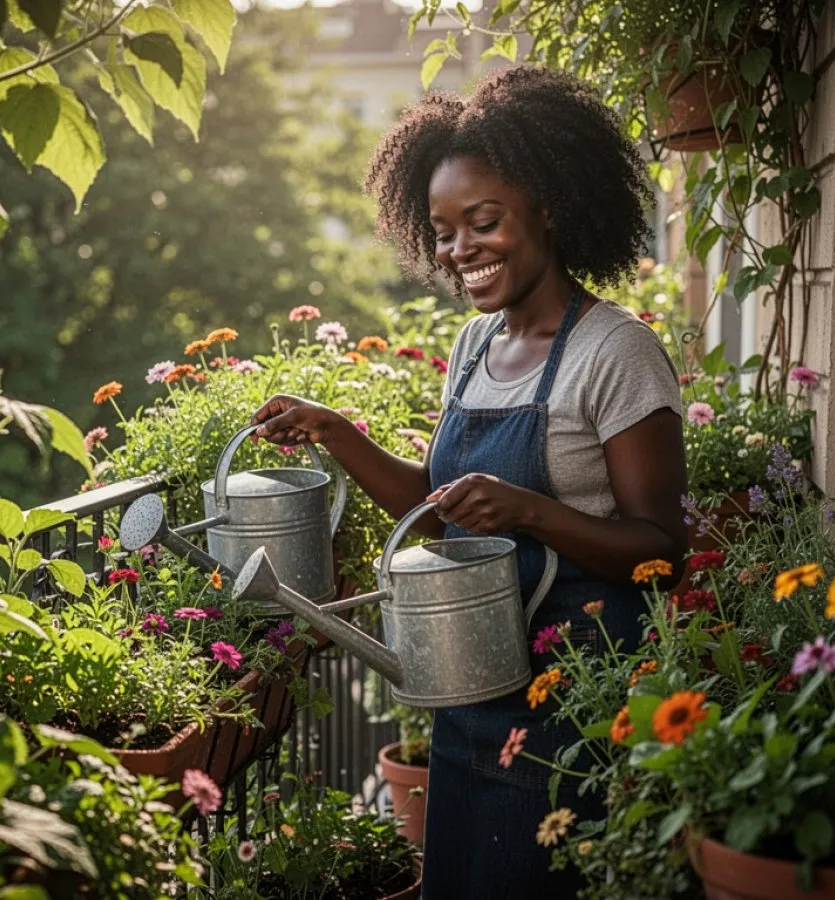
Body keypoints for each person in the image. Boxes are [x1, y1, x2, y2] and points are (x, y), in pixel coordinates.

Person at [250, 65, 687, 898]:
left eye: (482, 223)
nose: (459, 251)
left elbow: (662, 553)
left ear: (549, 210)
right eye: (444, 231)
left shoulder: (615, 352)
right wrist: (337, 432)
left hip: (574, 714)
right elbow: (440, 515)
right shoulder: (475, 346)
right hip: (467, 706)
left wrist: (529, 508)